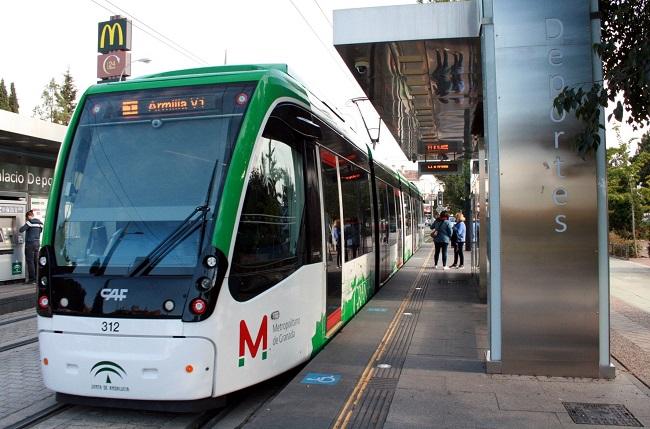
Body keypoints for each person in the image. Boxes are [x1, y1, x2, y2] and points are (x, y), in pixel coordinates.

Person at [19, 210, 43, 284]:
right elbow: (40, 231)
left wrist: (26, 224)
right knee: (36, 261)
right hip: (37, 243)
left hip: (30, 243)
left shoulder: (30, 222)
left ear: (29, 216)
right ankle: (37, 279)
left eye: (26, 218)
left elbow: (21, 230)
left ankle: (32, 279)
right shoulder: (40, 223)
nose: (27, 219)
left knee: (30, 261)